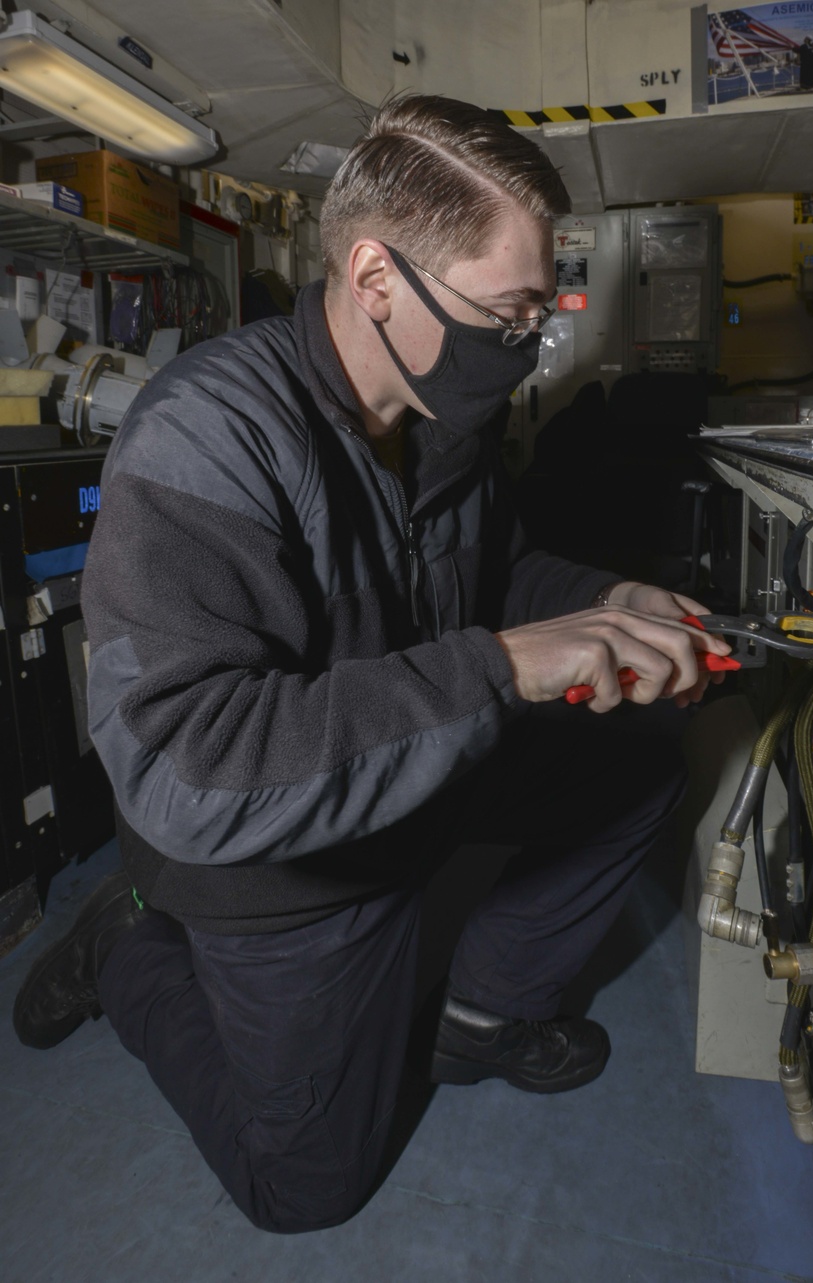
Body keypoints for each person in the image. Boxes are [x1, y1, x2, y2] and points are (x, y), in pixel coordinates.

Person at [12, 94, 729, 1233]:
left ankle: (483, 1018)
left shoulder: (443, 413)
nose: (531, 340)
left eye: (539, 308)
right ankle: (130, 951)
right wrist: (498, 668)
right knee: (304, 1190)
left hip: (416, 761)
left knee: (639, 759)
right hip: (272, 853)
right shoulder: (207, 439)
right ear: (375, 275)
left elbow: (492, 579)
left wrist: (605, 600)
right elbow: (190, 772)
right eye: (510, 310)